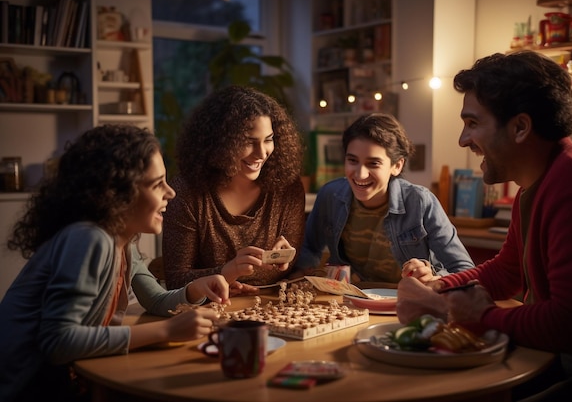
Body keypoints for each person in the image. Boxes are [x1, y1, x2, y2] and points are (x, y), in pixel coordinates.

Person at [396, 51, 572, 401]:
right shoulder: (539, 183)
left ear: (520, 127)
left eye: (472, 124)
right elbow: (506, 271)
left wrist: (481, 315)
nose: (462, 140)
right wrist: (439, 286)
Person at [0, 125, 231, 402]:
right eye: (157, 184)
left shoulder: (122, 241)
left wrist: (195, 290)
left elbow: (156, 300)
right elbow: (58, 342)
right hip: (26, 390)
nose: (170, 193)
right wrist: (167, 331)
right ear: (117, 192)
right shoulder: (89, 238)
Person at [293, 112, 475, 284]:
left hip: (407, 305)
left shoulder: (420, 202)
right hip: (351, 302)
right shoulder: (330, 195)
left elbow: (465, 270)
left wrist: (434, 277)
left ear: (396, 165)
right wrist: (299, 272)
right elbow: (308, 248)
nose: (360, 174)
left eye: (373, 163)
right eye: (352, 161)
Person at [162, 85, 305, 292]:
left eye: (268, 140)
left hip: (273, 308)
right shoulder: (186, 193)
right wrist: (228, 271)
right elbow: (176, 280)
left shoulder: (288, 187)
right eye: (249, 142)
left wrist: (286, 259)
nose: (262, 153)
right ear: (221, 142)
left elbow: (289, 269)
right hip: (208, 311)